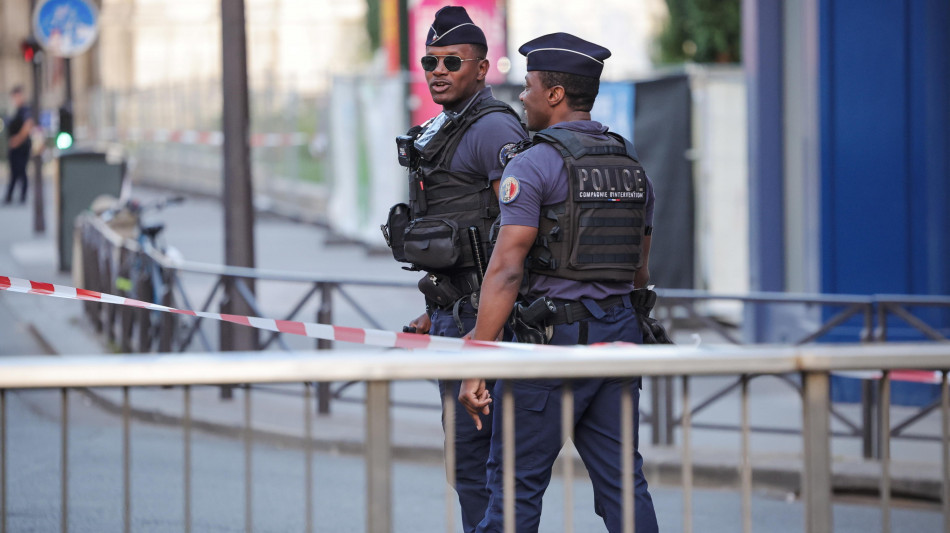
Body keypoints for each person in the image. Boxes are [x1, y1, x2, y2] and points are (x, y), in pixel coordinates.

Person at [458, 33, 660, 532]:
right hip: (617, 342)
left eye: (528, 86)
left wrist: (478, 357)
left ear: (554, 95)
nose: (521, 97)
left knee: (515, 487)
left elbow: (506, 269)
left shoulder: (533, 163)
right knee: (624, 487)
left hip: (546, 349)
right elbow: (639, 269)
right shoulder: (630, 164)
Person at [380, 6, 527, 532]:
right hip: (451, 314)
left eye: (451, 61)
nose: (437, 70)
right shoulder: (446, 126)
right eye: (430, 60)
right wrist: (430, 307)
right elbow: (454, 229)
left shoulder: (492, 129)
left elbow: (514, 234)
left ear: (482, 69)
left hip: (481, 323)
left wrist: (484, 330)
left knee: (485, 465)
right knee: (466, 466)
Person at [5, 85, 34, 205]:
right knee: (14, 172)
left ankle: (21, 196)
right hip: (14, 146)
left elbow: (28, 125)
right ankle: (10, 196)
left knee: (21, 171)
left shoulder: (24, 110)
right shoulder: (14, 110)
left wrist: (18, 139)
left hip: (21, 146)